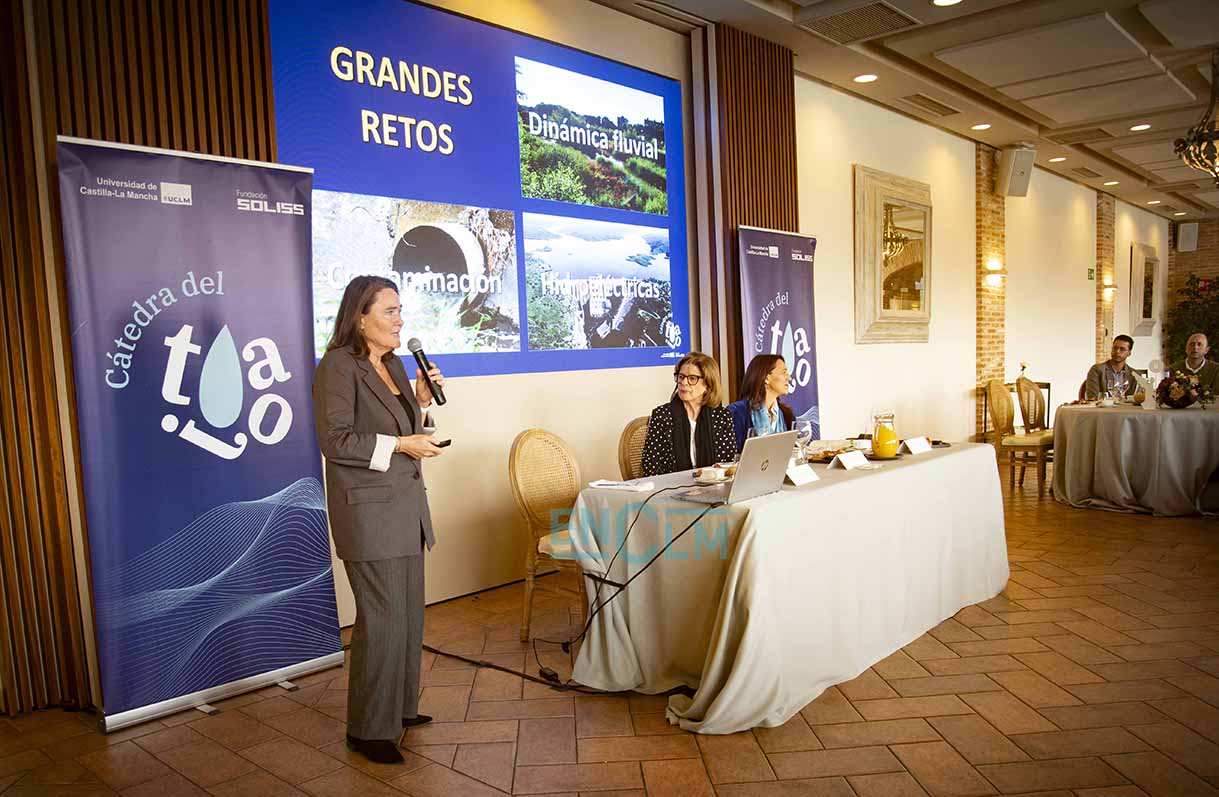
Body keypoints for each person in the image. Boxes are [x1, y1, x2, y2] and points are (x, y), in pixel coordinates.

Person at [312, 276, 446, 765]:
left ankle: (399, 709)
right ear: (360, 316)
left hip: (405, 508)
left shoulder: (390, 364)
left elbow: (406, 431)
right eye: (389, 311)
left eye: (400, 310)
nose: (399, 320)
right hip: (369, 515)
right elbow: (336, 440)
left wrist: (423, 403)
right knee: (383, 620)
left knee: (409, 617)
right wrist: (401, 445)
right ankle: (368, 729)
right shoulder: (337, 367)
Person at [639, 352, 737, 476]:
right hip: (672, 488)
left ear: (708, 385)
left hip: (712, 486)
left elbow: (727, 463)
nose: (684, 383)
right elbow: (651, 466)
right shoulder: (662, 415)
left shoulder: (722, 416)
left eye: (692, 378)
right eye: (681, 376)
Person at [728, 354, 795, 453]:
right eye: (783, 372)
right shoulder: (736, 412)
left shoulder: (787, 415)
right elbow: (730, 458)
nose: (789, 378)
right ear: (766, 378)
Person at [1083, 334, 1136, 400]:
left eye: (1122, 349)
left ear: (1129, 353)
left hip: (1127, 409)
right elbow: (1092, 397)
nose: (1117, 351)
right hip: (1103, 409)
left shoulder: (1134, 375)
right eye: (1115, 348)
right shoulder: (1097, 370)